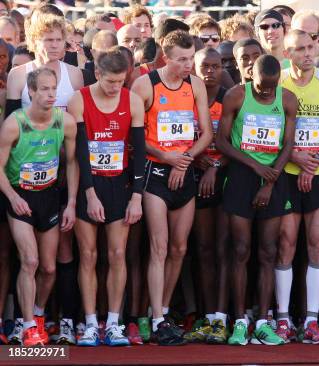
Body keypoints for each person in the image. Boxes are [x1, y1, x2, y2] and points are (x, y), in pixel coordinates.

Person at [131, 30, 213, 346]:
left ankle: (163, 310)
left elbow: (206, 133)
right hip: (155, 174)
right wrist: (167, 156)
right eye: (181, 59)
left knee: (179, 248)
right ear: (166, 58)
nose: (188, 64)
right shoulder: (146, 85)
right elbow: (135, 136)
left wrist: (186, 159)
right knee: (159, 247)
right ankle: (155, 318)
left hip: (184, 171)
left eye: (191, 58)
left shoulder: (195, 85)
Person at [216, 54, 297, 346]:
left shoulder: (287, 99)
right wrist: (253, 166)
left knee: (268, 251)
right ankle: (240, 320)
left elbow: (289, 143)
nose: (267, 92)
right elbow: (221, 141)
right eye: (262, 87)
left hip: (274, 177)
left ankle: (263, 321)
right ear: (251, 76)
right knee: (240, 250)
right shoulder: (237, 96)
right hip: (241, 175)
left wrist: (270, 179)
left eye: (272, 87)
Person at [67, 47, 145, 347]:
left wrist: (137, 197)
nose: (116, 88)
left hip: (120, 185)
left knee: (117, 254)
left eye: (121, 82)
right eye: (111, 82)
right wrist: (88, 194)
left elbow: (138, 154)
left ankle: (113, 322)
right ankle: (89, 323)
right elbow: (79, 154)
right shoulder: (80, 100)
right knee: (88, 255)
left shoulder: (132, 101)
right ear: (97, 74)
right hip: (90, 184)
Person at [274, 29, 319, 344]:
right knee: (286, 244)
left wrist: (316, 158)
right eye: (299, 49)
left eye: (310, 47)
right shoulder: (278, 82)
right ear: (287, 53)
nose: (307, 54)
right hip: (286, 173)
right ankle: (282, 319)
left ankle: (312, 320)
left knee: (318, 243)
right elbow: (267, 128)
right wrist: (294, 156)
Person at [0, 68, 77, 346]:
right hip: (21, 196)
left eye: (53, 89)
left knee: (48, 268)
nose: (50, 94)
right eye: (43, 89)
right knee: (29, 261)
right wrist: (12, 197)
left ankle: (38, 315)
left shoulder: (65, 121)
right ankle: (28, 325)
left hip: (49, 196)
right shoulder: (14, 123)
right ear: (30, 92)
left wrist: (70, 203)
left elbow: (71, 163)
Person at [183, 47, 231, 344]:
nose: (210, 71)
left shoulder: (230, 97)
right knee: (202, 249)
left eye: (215, 65)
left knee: (222, 248)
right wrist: (196, 157)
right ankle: (205, 313)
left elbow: (238, 141)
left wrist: (215, 165)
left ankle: (221, 316)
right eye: (204, 66)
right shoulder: (187, 95)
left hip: (225, 174)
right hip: (194, 171)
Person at [5, 14, 83, 116]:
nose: (55, 45)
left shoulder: (75, 74)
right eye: (49, 40)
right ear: (35, 41)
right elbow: (11, 120)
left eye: (59, 40)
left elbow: (79, 121)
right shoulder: (17, 74)